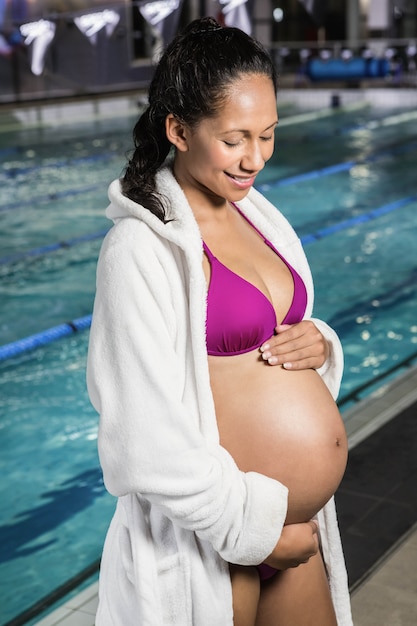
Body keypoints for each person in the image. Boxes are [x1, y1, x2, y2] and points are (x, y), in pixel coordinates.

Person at [87, 16, 353, 626]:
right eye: (234, 139)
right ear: (178, 129)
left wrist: (318, 343)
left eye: (268, 134)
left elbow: (271, 348)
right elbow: (141, 443)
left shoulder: (258, 214)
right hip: (216, 541)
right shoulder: (139, 249)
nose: (254, 158)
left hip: (291, 530)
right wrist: (254, 532)